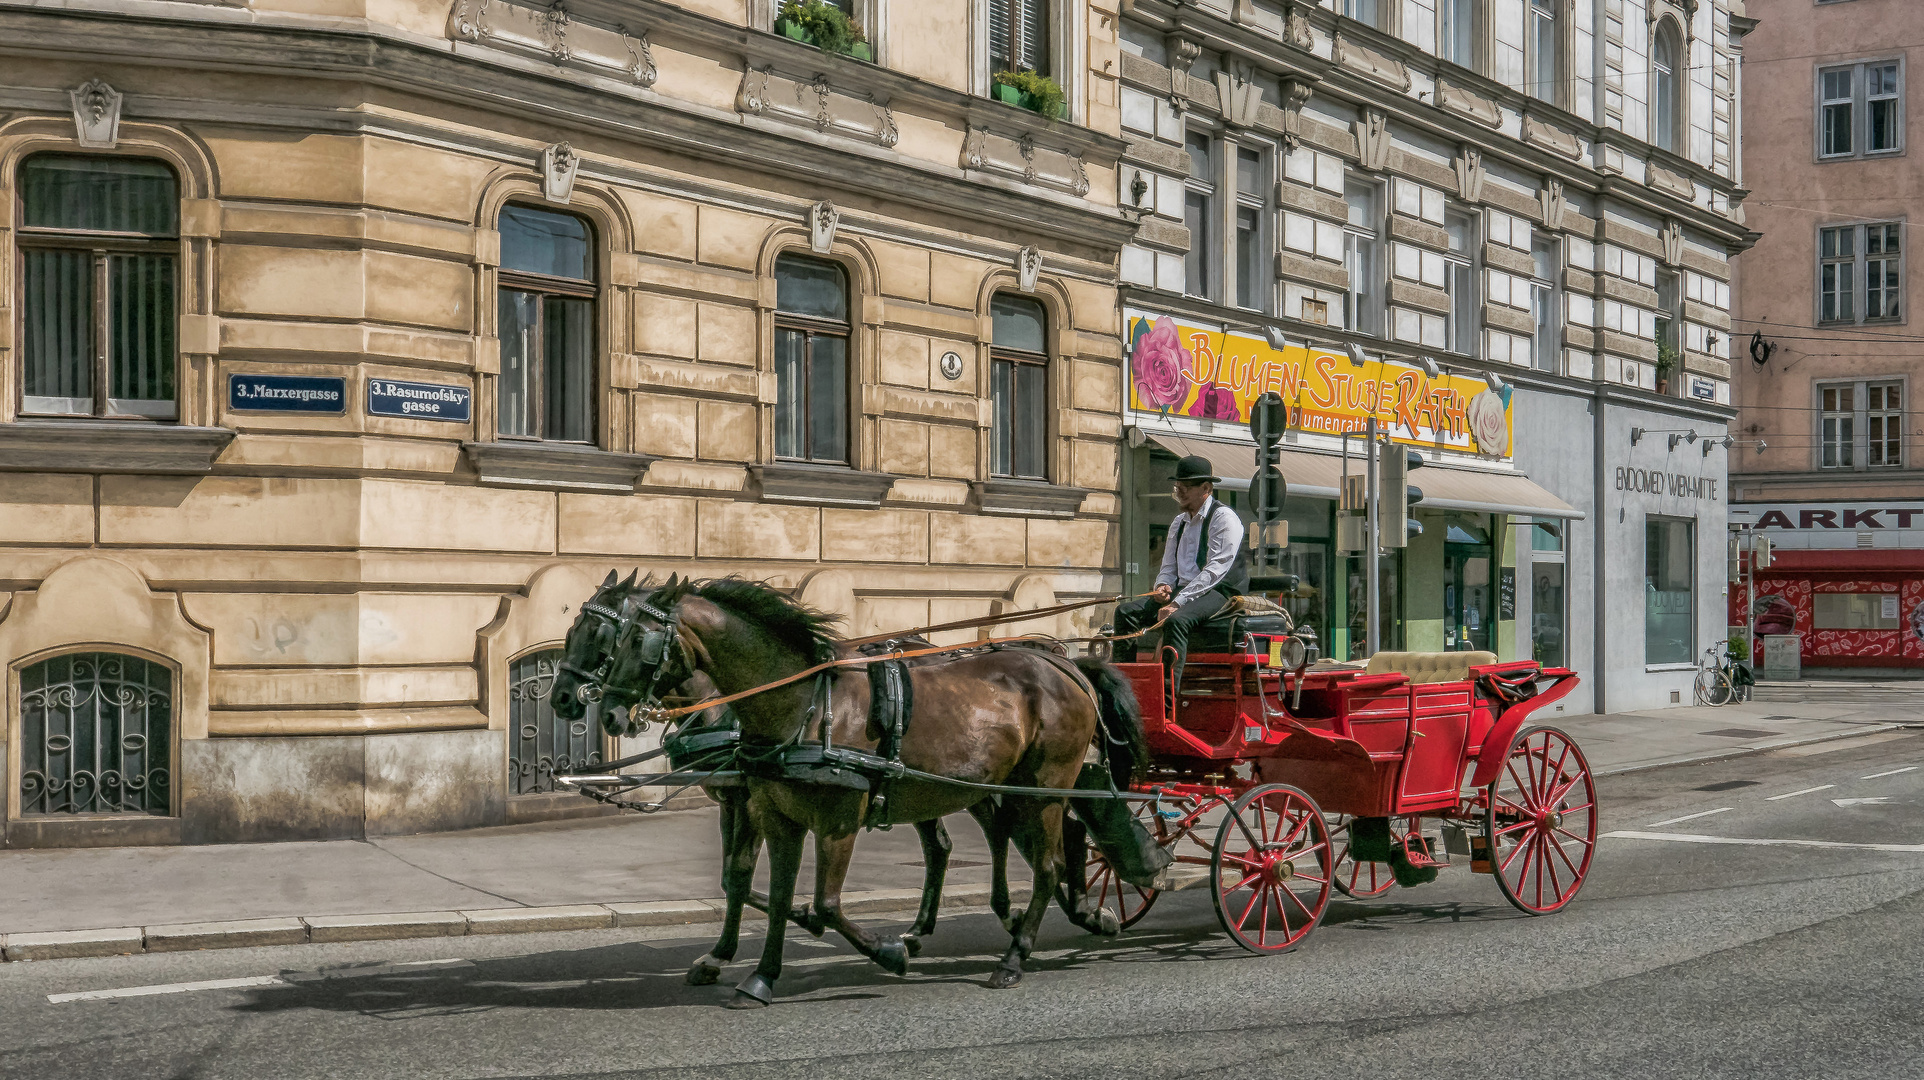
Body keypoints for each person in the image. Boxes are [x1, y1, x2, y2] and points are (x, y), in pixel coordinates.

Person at [1113, 455, 1249, 687]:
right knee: (1125, 613)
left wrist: (1177, 603)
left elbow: (1214, 571)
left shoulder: (1224, 519)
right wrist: (1163, 587)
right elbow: (1168, 566)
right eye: (1178, 487)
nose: (1180, 493)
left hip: (1220, 592)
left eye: (1185, 488)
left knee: (1177, 621)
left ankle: (1166, 702)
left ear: (1205, 488)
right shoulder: (1179, 522)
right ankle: (1122, 687)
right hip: (1185, 590)